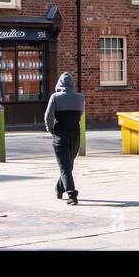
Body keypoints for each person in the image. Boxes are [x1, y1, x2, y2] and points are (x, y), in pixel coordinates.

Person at [43, 72, 85, 205]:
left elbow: (48, 116)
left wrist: (50, 129)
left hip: (60, 135)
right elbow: (82, 113)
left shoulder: (55, 97)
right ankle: (59, 188)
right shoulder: (80, 97)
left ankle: (72, 195)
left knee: (65, 167)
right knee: (68, 164)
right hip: (75, 135)